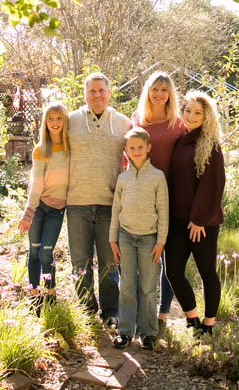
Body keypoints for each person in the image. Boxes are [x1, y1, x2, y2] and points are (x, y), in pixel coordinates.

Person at [66, 72, 132, 328]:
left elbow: (136, 159)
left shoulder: (123, 123)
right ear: (85, 94)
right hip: (77, 203)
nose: (97, 95)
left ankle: (110, 311)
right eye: (91, 91)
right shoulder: (70, 121)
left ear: (109, 92)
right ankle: (85, 309)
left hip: (109, 205)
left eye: (101, 91)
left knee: (109, 262)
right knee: (80, 262)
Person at [164, 90, 226, 336]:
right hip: (177, 221)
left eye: (197, 112)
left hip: (202, 222)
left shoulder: (210, 145)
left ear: (206, 116)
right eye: (187, 110)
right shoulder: (181, 139)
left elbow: (213, 184)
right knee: (173, 272)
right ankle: (192, 319)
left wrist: (199, 219)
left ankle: (208, 325)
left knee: (207, 272)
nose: (190, 115)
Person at [131, 71, 185, 329]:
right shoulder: (137, 120)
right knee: (142, 255)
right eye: (155, 89)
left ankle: (162, 313)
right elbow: (127, 156)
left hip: (172, 196)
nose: (159, 94)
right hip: (142, 196)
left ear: (170, 94)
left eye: (164, 90)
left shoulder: (178, 123)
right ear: (148, 91)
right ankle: (141, 309)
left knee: (167, 258)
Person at [109, 127, 168, 350]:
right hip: (125, 237)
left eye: (140, 147)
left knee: (147, 287)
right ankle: (125, 332)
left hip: (149, 239)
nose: (136, 151)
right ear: (125, 150)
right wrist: (112, 240)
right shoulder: (123, 178)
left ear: (148, 148)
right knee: (126, 285)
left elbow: (163, 211)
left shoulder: (157, 177)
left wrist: (160, 241)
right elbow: (115, 210)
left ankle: (148, 332)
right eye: (131, 148)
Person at [17, 102, 70, 314]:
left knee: (47, 253)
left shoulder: (69, 148)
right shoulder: (41, 150)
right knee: (35, 251)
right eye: (51, 119)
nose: (55, 123)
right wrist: (28, 214)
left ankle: (50, 294)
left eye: (59, 119)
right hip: (38, 208)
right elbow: (36, 184)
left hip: (57, 210)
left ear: (65, 121)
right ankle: (33, 295)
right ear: (45, 123)